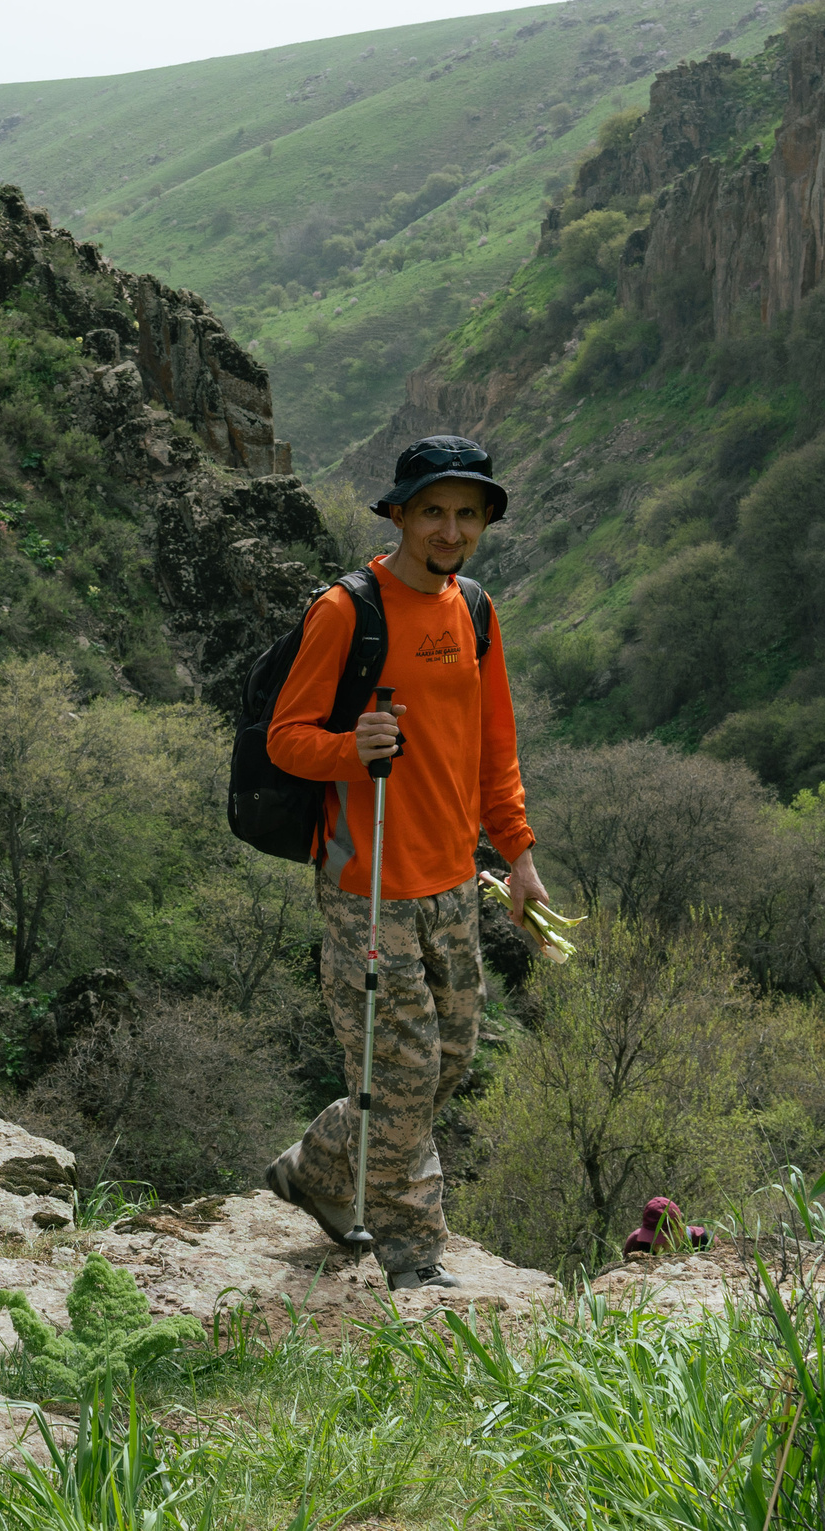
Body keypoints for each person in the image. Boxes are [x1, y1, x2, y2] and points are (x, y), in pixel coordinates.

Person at [260, 435, 547, 1290]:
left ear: (483, 521)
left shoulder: (477, 611)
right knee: (402, 1073)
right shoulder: (349, 612)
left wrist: (521, 857)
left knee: (448, 1061)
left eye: (467, 513)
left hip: (455, 881)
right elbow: (285, 739)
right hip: (368, 886)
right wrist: (354, 749)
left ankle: (316, 1164)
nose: (450, 530)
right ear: (399, 515)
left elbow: (497, 746)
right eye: (433, 511)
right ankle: (413, 1254)